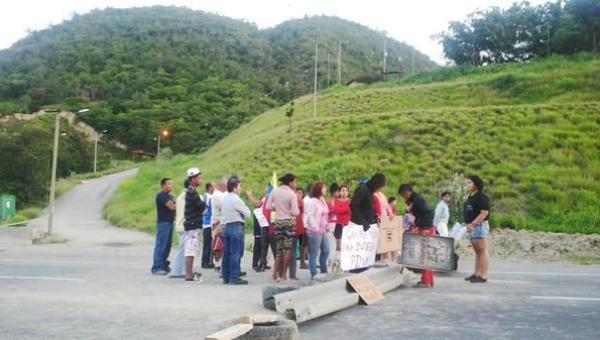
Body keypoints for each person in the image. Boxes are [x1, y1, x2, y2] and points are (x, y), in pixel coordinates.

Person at [399, 183, 435, 288]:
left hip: (425, 229)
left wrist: (421, 227)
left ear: (407, 192)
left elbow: (428, 213)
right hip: (425, 227)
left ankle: (426, 281)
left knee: (424, 255)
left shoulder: (418, 201)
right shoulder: (415, 200)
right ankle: (428, 280)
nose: (403, 198)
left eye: (403, 195)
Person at [267, 173, 300, 282]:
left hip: (279, 222)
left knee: (279, 250)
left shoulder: (274, 191)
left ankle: (274, 275)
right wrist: (288, 210)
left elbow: (268, 206)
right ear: (290, 182)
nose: (296, 184)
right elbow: (296, 212)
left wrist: (277, 208)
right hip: (289, 222)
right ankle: (284, 275)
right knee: (288, 249)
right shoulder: (292, 194)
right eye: (295, 181)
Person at [221, 176, 251, 285]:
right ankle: (234, 277)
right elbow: (247, 213)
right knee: (235, 253)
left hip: (227, 227)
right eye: (239, 186)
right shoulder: (236, 199)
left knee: (227, 253)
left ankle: (226, 276)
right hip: (236, 227)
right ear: (234, 187)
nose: (240, 189)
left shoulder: (225, 198)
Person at [464, 176, 491, 284]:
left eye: (470, 182)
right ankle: (476, 274)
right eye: (467, 183)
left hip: (479, 226)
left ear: (476, 184)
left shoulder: (481, 197)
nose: (467, 185)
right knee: (478, 252)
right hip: (471, 226)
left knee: (483, 250)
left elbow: (484, 213)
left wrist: (473, 224)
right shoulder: (471, 197)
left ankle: (483, 276)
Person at [183, 168, 206, 282]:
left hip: (192, 224)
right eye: (198, 178)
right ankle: (189, 275)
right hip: (192, 224)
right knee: (190, 250)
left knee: (192, 249)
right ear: (193, 179)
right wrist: (203, 204)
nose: (200, 180)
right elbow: (201, 206)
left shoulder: (192, 190)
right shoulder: (192, 191)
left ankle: (189, 273)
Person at [304, 181, 330, 279]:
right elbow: (309, 216)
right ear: (319, 189)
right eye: (324, 188)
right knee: (314, 252)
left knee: (326, 250)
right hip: (314, 231)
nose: (325, 189)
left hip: (323, 230)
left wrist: (326, 226)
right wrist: (316, 227)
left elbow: (326, 213)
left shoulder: (322, 200)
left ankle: (323, 270)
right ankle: (313, 273)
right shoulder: (312, 201)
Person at [151, 178, 176, 275]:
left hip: (170, 222)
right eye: (169, 184)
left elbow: (174, 205)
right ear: (163, 185)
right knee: (161, 245)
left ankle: (164, 264)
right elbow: (172, 207)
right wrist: (176, 205)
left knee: (167, 246)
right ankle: (157, 267)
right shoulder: (161, 196)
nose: (171, 186)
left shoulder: (171, 196)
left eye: (171, 184)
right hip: (163, 223)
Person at [168, 179, 190, 278]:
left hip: (180, 225)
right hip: (184, 225)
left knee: (184, 248)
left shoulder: (181, 196)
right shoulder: (187, 196)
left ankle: (180, 270)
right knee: (182, 249)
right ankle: (176, 271)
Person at [211, 179, 227, 276]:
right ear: (222, 185)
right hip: (218, 223)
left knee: (222, 246)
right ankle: (217, 265)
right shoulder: (217, 195)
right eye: (226, 185)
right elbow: (224, 207)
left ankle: (220, 265)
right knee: (218, 246)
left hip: (223, 222)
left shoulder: (224, 194)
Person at [288, 188, 305, 280]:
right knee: (293, 250)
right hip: (296, 226)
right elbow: (302, 209)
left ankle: (281, 273)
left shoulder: (282, 196)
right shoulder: (298, 197)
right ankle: (292, 274)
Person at [333, 185, 351, 251]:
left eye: (346, 190)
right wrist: (347, 208)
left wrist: (341, 209)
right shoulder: (336, 201)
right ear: (340, 192)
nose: (345, 192)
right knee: (339, 246)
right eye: (343, 190)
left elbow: (351, 211)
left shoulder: (350, 201)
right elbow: (337, 210)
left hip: (348, 224)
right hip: (339, 224)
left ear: (348, 192)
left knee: (348, 244)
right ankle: (338, 259)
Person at [201, 182, 215, 269]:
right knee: (208, 244)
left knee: (209, 244)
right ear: (210, 187)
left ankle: (208, 261)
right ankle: (206, 262)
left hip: (208, 223)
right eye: (214, 186)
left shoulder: (207, 196)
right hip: (208, 223)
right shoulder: (207, 197)